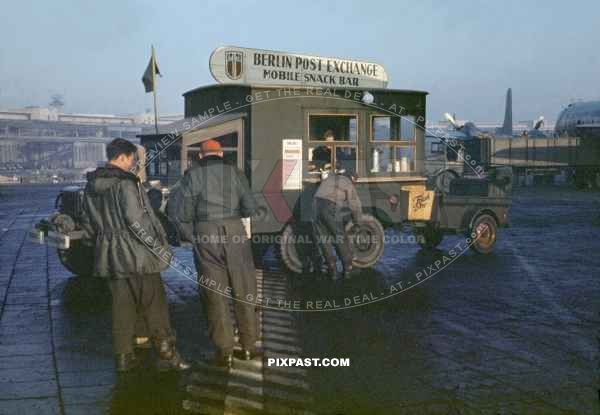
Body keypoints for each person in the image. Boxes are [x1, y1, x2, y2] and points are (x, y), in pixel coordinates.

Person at [80, 138, 190, 372]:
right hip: (138, 255)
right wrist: (157, 246)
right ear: (122, 157)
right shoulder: (127, 183)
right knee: (155, 305)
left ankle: (123, 358)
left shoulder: (91, 185)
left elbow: (88, 225)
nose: (133, 164)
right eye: (131, 159)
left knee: (121, 306)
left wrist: (101, 245)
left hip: (111, 255)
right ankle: (168, 356)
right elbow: (136, 220)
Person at [168, 139, 258, 368]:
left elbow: (179, 215)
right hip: (235, 231)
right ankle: (248, 346)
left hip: (206, 233)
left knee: (215, 295)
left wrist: (194, 237)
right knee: (244, 288)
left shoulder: (192, 176)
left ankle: (224, 350)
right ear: (220, 153)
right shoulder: (236, 173)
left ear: (200, 156)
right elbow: (250, 208)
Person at [312, 161, 363, 280]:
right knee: (340, 236)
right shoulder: (347, 182)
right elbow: (355, 206)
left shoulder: (331, 178)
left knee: (324, 238)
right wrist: (358, 223)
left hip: (315, 206)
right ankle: (348, 269)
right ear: (352, 178)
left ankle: (332, 270)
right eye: (355, 181)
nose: (355, 184)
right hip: (329, 206)